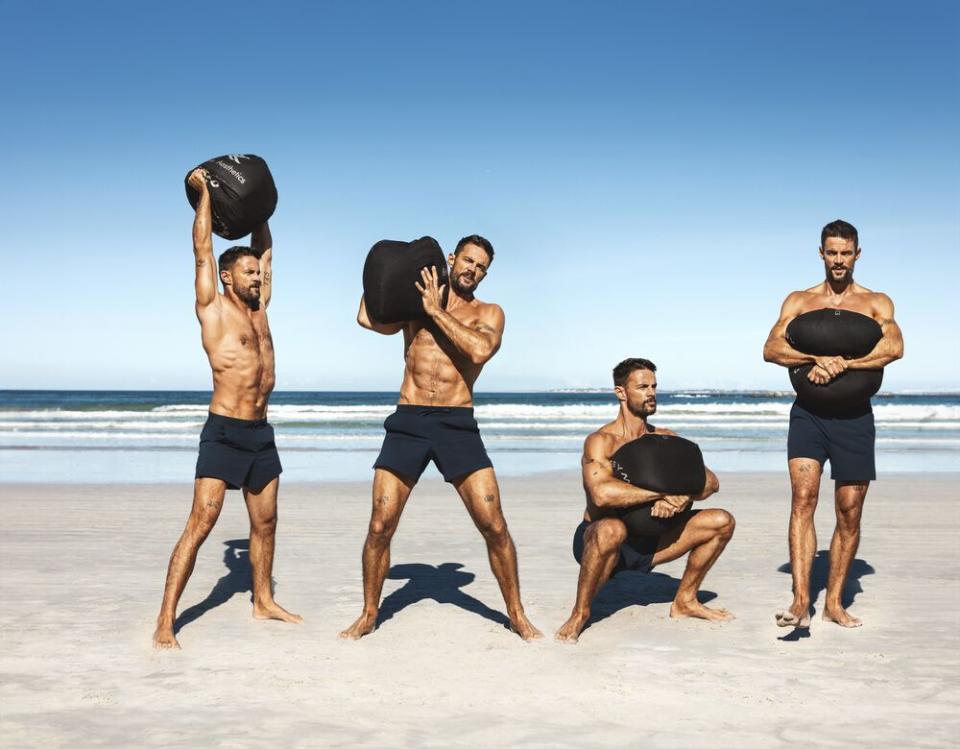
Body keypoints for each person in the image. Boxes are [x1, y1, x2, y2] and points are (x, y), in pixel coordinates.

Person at [340, 235, 541, 640]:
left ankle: (517, 614)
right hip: (409, 420)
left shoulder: (490, 312)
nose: (473, 270)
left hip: (457, 423)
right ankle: (368, 614)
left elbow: (479, 351)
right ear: (452, 258)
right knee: (380, 525)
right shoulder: (417, 300)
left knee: (494, 526)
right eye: (468, 260)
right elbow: (368, 318)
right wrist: (385, 270)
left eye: (481, 266)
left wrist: (434, 311)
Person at [153, 168, 301, 649]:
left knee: (266, 522)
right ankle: (165, 620)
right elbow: (201, 248)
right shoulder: (212, 308)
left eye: (259, 273)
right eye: (249, 272)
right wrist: (205, 197)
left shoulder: (262, 309)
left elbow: (269, 252)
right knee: (201, 523)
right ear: (226, 275)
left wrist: (259, 213)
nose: (257, 277)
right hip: (223, 433)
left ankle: (263, 601)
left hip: (261, 433)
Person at [763, 219, 903, 628]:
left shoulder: (877, 302)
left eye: (846, 253)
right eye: (832, 252)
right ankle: (800, 601)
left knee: (849, 511)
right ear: (821, 253)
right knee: (803, 500)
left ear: (857, 254)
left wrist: (843, 365)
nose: (838, 260)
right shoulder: (798, 300)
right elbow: (771, 348)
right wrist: (813, 360)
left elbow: (894, 348)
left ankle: (835, 603)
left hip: (855, 419)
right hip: (808, 415)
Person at [556, 358, 735, 643]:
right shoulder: (602, 441)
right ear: (621, 392)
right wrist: (661, 493)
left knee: (721, 521)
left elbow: (710, 482)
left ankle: (685, 601)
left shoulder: (666, 439)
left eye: (654, 386)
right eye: (642, 387)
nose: (651, 393)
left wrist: (682, 497)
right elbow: (602, 494)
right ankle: (580, 613)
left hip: (653, 542)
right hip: (603, 541)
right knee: (611, 529)